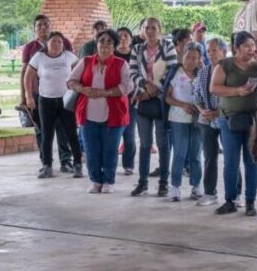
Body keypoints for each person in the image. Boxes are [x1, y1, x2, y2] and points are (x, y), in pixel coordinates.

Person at [68, 29, 134, 193]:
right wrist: (83, 89)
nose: (105, 44)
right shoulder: (86, 61)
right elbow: (70, 81)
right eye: (101, 41)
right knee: (91, 150)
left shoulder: (121, 64)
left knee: (110, 150)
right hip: (88, 114)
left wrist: (106, 93)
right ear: (96, 44)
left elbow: (128, 86)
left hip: (114, 114)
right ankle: (95, 180)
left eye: (109, 42)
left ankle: (108, 181)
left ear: (114, 46)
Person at [210, 30, 257, 216]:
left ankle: (250, 202)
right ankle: (230, 200)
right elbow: (214, 88)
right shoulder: (225, 65)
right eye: (247, 46)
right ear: (236, 48)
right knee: (231, 162)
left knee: (252, 161)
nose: (251, 49)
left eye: (253, 45)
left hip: (253, 122)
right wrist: (238, 91)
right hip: (229, 119)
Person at [21, 14, 75, 174]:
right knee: (42, 131)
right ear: (34, 29)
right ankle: (46, 163)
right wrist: (25, 96)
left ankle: (66, 161)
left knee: (63, 129)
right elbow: (25, 73)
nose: (43, 28)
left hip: (63, 95)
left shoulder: (64, 42)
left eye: (46, 24)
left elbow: (74, 66)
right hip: (39, 96)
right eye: (39, 25)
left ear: (51, 26)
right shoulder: (30, 47)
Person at [129, 17, 176, 197]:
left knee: (163, 144)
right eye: (146, 28)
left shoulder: (168, 46)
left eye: (153, 28)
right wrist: (145, 86)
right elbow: (133, 71)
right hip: (142, 99)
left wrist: (153, 90)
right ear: (142, 30)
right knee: (145, 144)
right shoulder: (137, 48)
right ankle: (143, 183)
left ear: (160, 30)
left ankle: (163, 183)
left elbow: (172, 71)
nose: (150, 31)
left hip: (162, 101)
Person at [165, 44, 204, 201]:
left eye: (195, 58)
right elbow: (167, 97)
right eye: (188, 57)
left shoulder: (202, 74)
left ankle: (196, 185)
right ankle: (175, 186)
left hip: (198, 119)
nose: (190, 61)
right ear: (182, 56)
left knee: (196, 154)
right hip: (178, 118)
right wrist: (183, 105)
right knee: (179, 154)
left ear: (199, 59)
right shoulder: (176, 72)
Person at [194, 37, 228, 207]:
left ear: (224, 52)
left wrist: (217, 113)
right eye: (208, 51)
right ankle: (209, 193)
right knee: (209, 157)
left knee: (230, 157)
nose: (211, 54)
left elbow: (234, 98)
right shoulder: (203, 71)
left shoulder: (230, 71)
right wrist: (202, 110)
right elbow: (197, 96)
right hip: (206, 120)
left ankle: (235, 194)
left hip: (226, 119)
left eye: (214, 50)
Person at [115, 27, 137, 176]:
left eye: (126, 36)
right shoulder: (112, 53)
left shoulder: (135, 54)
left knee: (129, 133)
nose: (123, 38)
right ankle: (110, 162)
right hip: (114, 98)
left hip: (131, 99)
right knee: (113, 133)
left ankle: (128, 164)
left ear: (130, 39)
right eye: (120, 36)